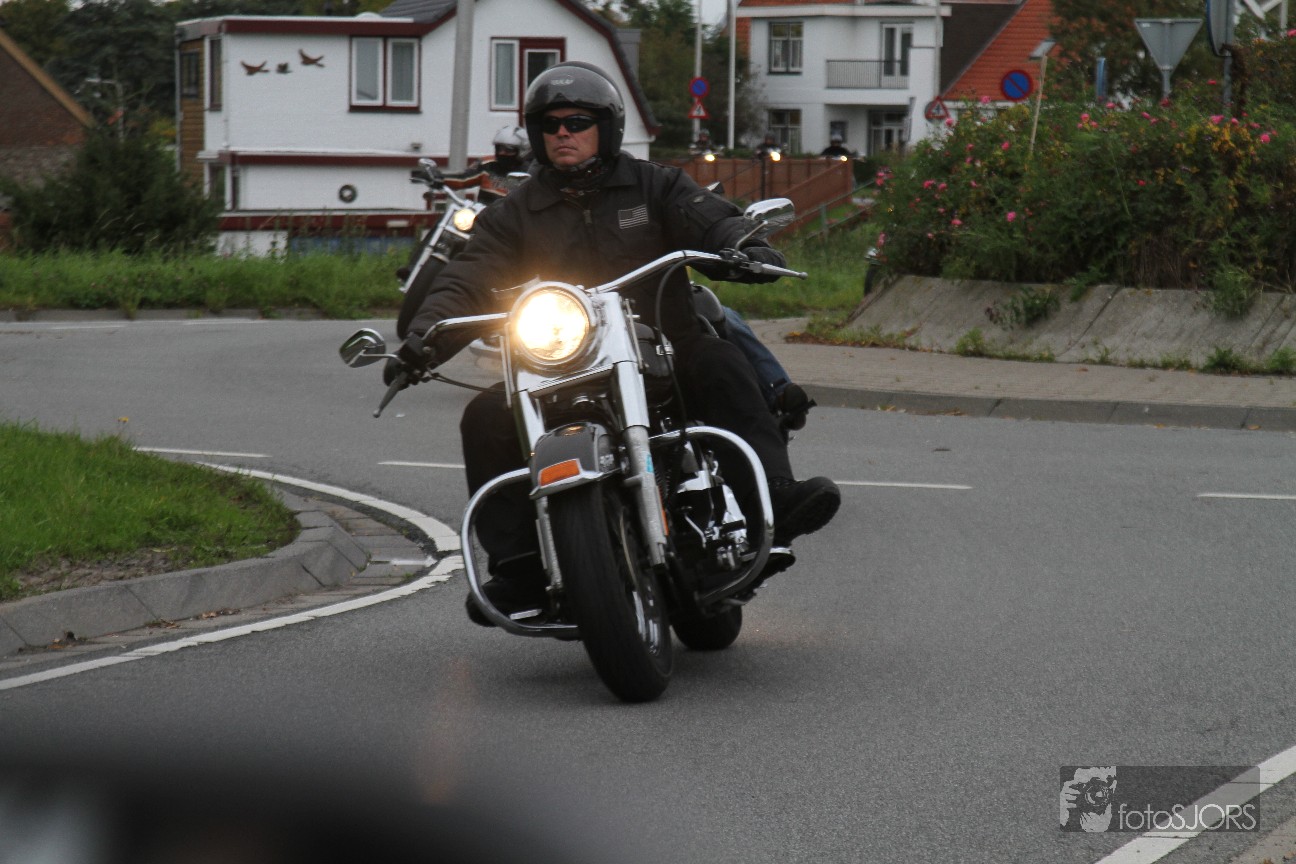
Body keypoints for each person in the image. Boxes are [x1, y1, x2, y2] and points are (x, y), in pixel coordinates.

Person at [391, 61, 840, 624]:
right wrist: (424, 336)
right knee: (485, 417)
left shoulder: (655, 185)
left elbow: (709, 219)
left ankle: (773, 496)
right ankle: (520, 566)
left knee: (721, 361)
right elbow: (467, 275)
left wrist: (741, 247)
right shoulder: (517, 212)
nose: (563, 132)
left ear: (606, 127)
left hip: (665, 348)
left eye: (577, 121)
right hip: (564, 362)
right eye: (550, 124)